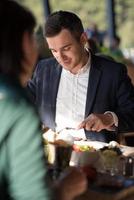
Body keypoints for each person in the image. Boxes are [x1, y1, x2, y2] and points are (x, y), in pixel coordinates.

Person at [0, 2, 87, 200]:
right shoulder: (17, 108)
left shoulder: (112, 71)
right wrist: (66, 189)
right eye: (32, 37)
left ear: (83, 40)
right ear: (22, 42)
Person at [28, 10, 134, 143]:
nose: (60, 58)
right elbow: (23, 104)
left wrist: (109, 118)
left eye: (66, 48)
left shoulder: (113, 72)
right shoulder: (43, 70)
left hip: (95, 155)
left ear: (83, 39)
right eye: (54, 51)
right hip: (53, 151)